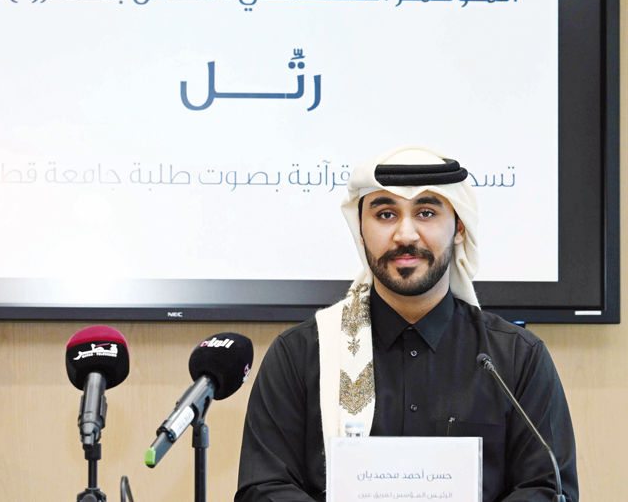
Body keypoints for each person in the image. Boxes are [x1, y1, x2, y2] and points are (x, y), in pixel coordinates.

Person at [236, 146, 577, 502]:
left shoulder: (516, 358)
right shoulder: (301, 354)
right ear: (361, 231)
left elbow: (548, 488)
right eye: (385, 214)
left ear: (459, 229)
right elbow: (264, 488)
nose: (405, 235)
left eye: (426, 212)